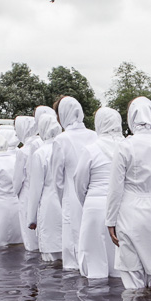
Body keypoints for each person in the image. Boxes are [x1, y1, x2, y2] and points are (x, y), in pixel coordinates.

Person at [105, 97, 151, 290]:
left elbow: (115, 188)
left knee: (131, 272)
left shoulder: (125, 145)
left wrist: (110, 221)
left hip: (130, 209)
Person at [73, 106, 123, 280]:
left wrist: (87, 201)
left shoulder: (91, 149)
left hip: (94, 204)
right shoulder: (127, 146)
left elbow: (79, 181)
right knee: (118, 258)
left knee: (93, 255)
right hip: (122, 206)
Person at [52, 96, 99, 270]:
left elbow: (57, 177)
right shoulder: (94, 135)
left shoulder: (61, 139)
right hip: (93, 194)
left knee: (72, 244)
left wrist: (62, 198)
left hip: (71, 195)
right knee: (93, 241)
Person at [26, 108, 64, 261]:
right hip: (65, 202)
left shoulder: (40, 153)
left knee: (50, 254)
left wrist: (31, 218)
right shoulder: (64, 147)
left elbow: (35, 189)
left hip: (48, 203)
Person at [13, 115, 40, 251]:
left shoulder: (22, 151)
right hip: (42, 193)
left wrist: (15, 192)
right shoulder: (42, 143)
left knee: (29, 236)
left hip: (27, 193)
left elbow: (17, 180)